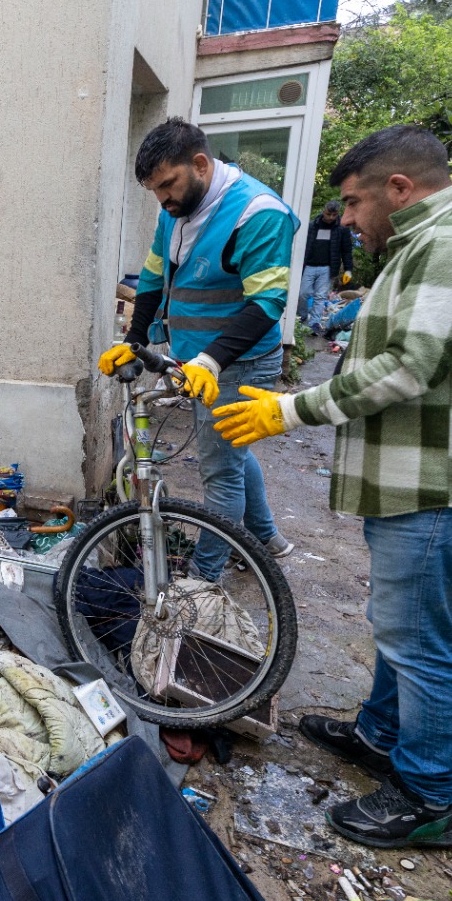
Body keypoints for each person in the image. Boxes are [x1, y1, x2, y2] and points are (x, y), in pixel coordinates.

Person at [210, 124, 452, 849]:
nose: (348, 220)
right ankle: (380, 733)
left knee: (420, 639)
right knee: (402, 621)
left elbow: (409, 366)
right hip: (420, 481)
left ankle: (428, 798)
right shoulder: (424, 245)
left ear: (400, 188)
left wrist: (288, 409)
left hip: (447, 485)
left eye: (355, 203)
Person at [97, 118, 297, 579]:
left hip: (239, 360)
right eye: (155, 190)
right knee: (230, 452)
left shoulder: (257, 212)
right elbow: (150, 280)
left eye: (167, 185)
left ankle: (205, 576)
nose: (162, 200)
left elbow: (267, 303)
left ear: (201, 164)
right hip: (197, 357)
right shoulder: (175, 213)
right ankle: (266, 538)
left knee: (220, 471)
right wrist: (135, 342)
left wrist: (210, 360)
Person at [298, 200, 354, 322]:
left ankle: (314, 324)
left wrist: (348, 269)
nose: (331, 217)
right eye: (328, 214)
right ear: (324, 210)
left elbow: (346, 250)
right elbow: (302, 245)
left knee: (320, 296)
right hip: (309, 266)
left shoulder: (342, 229)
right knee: (303, 293)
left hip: (327, 268)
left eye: (334, 215)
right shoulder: (312, 226)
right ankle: (303, 316)